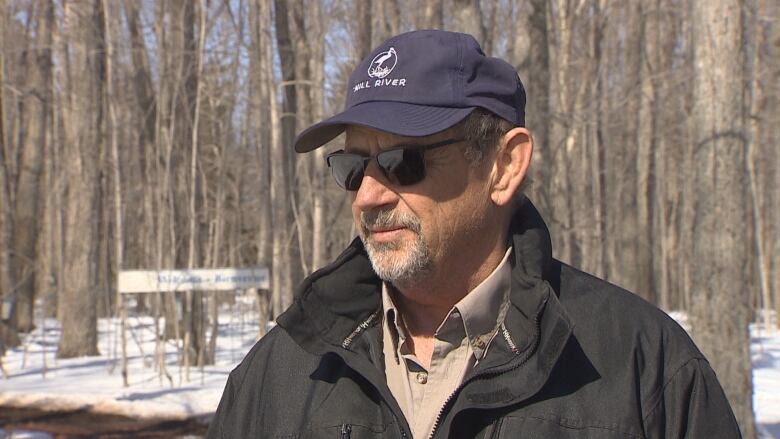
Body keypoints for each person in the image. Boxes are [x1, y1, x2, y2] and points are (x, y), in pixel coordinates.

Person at [207, 30, 741, 439]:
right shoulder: (278, 374)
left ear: (504, 166)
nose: (368, 195)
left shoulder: (640, 366)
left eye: (401, 162)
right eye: (352, 166)